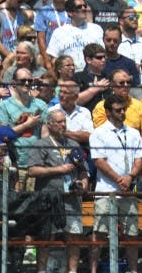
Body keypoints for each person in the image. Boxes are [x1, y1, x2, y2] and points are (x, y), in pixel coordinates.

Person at [27, 109, 89, 273]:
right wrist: (58, 169)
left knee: (74, 236)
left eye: (64, 122)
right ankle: (41, 270)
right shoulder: (41, 144)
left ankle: (72, 271)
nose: (63, 125)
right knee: (47, 237)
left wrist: (83, 184)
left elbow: (83, 172)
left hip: (72, 199)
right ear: (49, 124)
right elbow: (32, 171)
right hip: (49, 199)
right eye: (59, 122)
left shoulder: (74, 144)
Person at [90, 94, 142, 273]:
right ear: (107, 112)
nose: (122, 113)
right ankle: (92, 270)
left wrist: (129, 177)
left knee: (132, 234)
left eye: (124, 109)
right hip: (106, 189)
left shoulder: (133, 132)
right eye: (118, 110)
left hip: (128, 190)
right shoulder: (98, 133)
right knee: (99, 232)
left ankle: (133, 270)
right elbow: (99, 161)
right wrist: (118, 179)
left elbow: (139, 159)